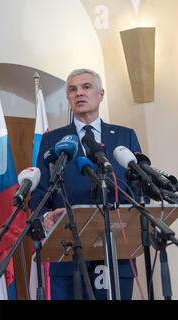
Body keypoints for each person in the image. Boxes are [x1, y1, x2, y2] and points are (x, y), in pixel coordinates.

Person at [29, 69, 141, 300]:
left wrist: (136, 223)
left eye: (86, 87)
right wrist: (45, 218)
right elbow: (40, 193)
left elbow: (138, 187)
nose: (79, 93)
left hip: (117, 252)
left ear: (100, 94)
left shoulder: (124, 136)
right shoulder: (53, 140)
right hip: (68, 252)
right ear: (69, 98)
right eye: (72, 89)